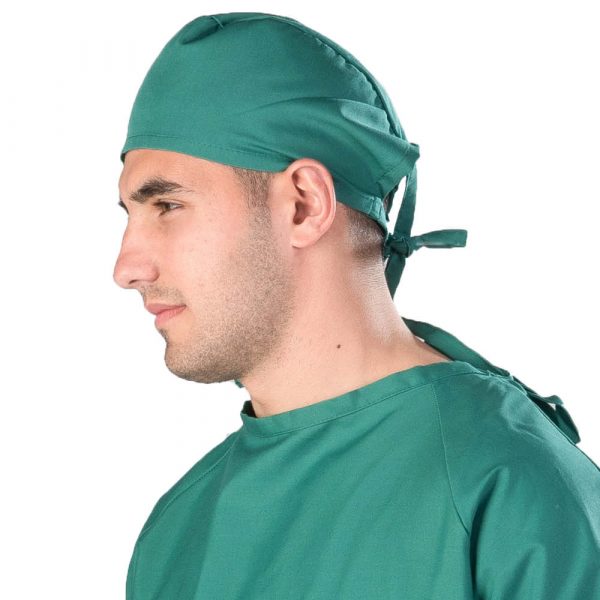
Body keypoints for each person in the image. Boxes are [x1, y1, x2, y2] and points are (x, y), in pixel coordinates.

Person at [114, 12, 600, 599]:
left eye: (167, 207)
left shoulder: (505, 485)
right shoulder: (177, 532)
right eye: (130, 216)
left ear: (304, 204)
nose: (126, 268)